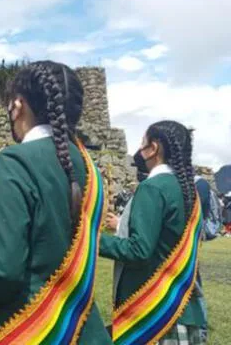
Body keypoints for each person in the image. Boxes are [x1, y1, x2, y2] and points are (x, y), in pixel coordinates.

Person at [0, 61, 112, 345]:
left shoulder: (14, 163)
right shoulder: (91, 171)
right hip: (83, 327)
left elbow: (0, 271)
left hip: (27, 326)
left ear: (17, 104)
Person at [100, 121, 206, 344]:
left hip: (155, 312)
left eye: (142, 143)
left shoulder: (153, 188)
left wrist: (93, 240)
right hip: (184, 307)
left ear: (154, 148)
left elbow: (139, 249)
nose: (139, 150)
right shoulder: (188, 192)